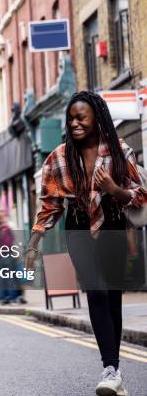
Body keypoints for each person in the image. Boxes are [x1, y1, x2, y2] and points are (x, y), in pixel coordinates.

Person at [25, 91, 146, 396]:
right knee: (96, 290)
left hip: (113, 224)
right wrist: (34, 242)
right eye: (71, 118)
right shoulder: (59, 157)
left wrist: (113, 188)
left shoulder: (119, 151)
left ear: (97, 119)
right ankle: (109, 368)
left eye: (81, 117)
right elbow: (50, 205)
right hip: (78, 226)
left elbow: (140, 195)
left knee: (112, 296)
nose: (75, 123)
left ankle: (113, 369)